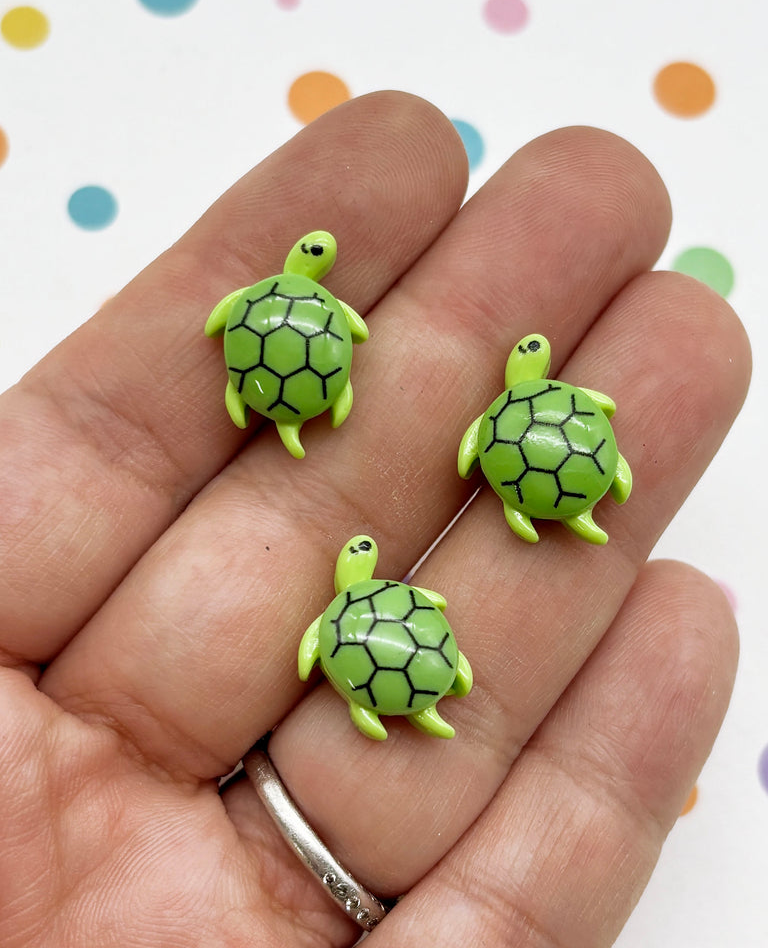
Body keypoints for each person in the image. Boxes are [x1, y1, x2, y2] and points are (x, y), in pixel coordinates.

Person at [0, 90, 750, 947]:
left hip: (393, 521)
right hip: (412, 544)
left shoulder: (360, 580)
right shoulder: (366, 572)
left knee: (443, 659)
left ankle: (511, 569)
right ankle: (532, 553)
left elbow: (458, 451)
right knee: (447, 659)